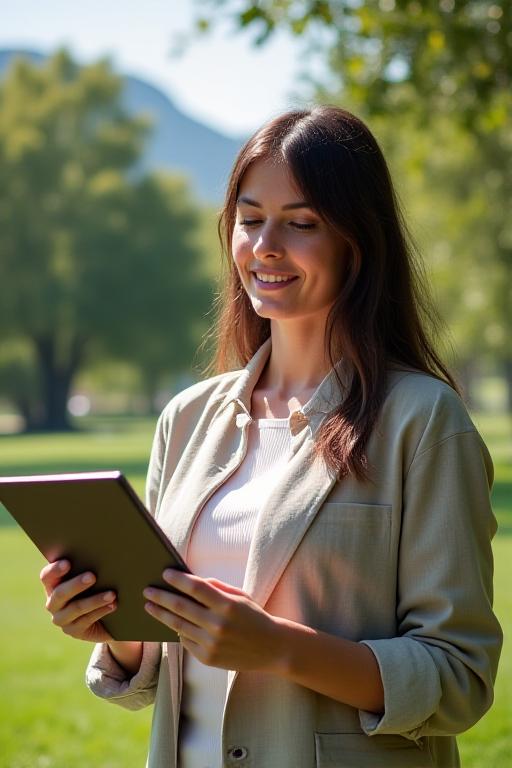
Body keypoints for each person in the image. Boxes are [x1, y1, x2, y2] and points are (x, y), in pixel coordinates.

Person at [40, 105, 502, 768]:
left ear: (359, 241)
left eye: (301, 223)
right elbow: (160, 658)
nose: (265, 247)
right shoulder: (186, 419)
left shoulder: (423, 420)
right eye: (250, 219)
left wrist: (280, 649)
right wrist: (113, 628)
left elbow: (459, 678)